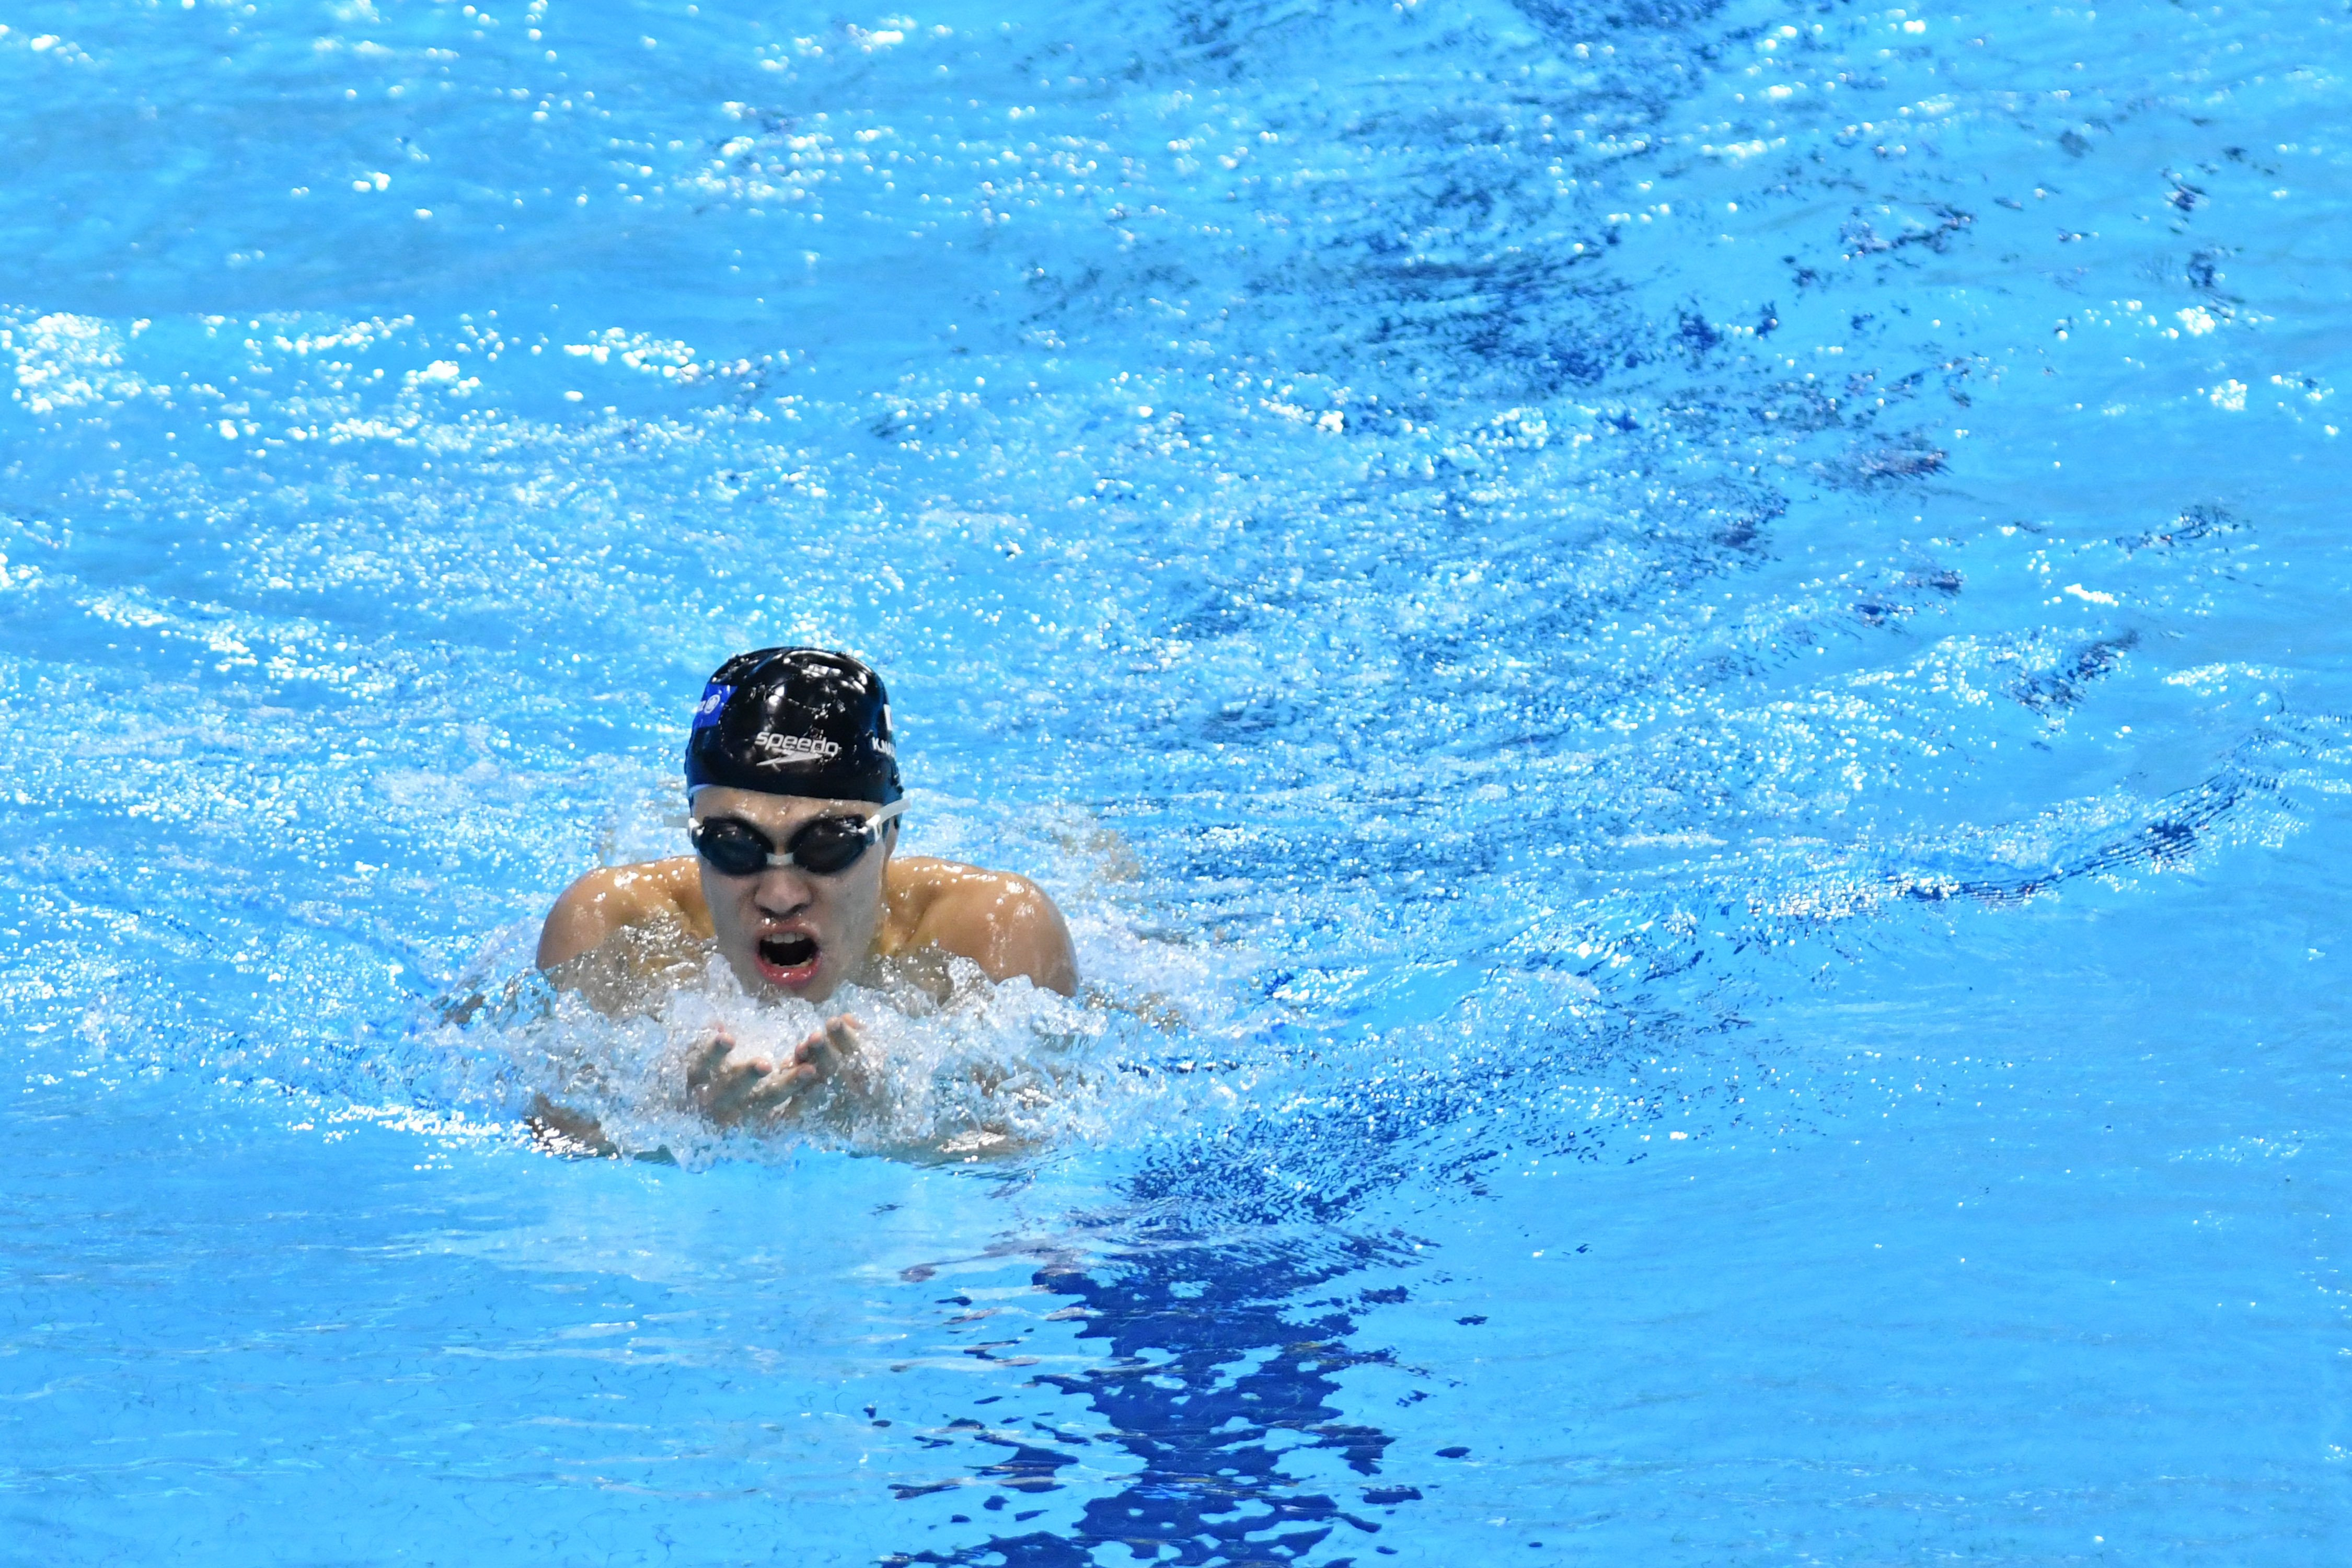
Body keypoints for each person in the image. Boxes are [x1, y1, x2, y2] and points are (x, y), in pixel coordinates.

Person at [532, 646, 1077, 1145]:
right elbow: (551, 1145)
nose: (780, 895)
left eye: (827, 846)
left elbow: (1030, 1169)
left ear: (889, 836)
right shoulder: (613, 929)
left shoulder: (993, 933)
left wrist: (884, 1128)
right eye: (734, 846)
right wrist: (678, 1124)